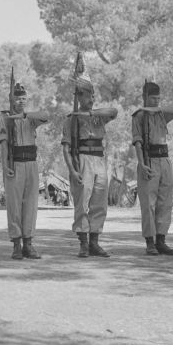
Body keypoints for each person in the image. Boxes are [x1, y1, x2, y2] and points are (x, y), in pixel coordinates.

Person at [62, 76, 117, 258]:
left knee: (99, 203)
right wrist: (72, 170)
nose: (91, 99)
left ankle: (95, 242)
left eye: (93, 96)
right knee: (82, 203)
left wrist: (92, 114)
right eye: (87, 96)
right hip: (83, 160)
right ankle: (83, 243)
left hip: (100, 160)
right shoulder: (72, 119)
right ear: (78, 97)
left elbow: (114, 111)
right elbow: (66, 147)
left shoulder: (99, 117)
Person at [0, 82, 49, 260]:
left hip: (31, 163)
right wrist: (5, 166)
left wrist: (23, 115)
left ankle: (28, 244)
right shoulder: (4, 117)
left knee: (31, 205)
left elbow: (46, 116)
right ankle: (17, 245)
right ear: (11, 99)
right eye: (17, 98)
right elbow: (4, 144)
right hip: (15, 163)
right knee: (14, 206)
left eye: (24, 98)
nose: (21, 101)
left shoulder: (30, 118)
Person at [132, 81, 173, 256]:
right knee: (148, 204)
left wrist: (155, 108)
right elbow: (137, 143)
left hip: (164, 160)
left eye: (158, 98)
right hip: (149, 160)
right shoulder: (138, 116)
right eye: (152, 98)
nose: (156, 101)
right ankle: (150, 242)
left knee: (165, 202)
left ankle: (161, 240)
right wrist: (142, 164)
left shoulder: (162, 114)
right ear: (144, 98)